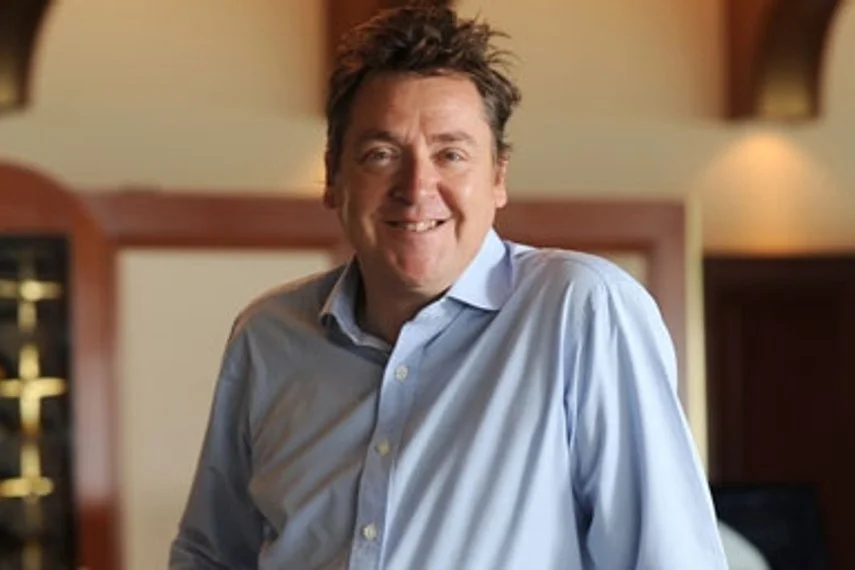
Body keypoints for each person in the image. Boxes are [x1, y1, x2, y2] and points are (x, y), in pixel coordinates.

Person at [169, 5, 727, 569]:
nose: (416, 188)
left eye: (451, 154)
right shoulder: (268, 335)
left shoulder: (580, 309)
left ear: (498, 178)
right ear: (333, 177)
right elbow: (211, 555)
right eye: (380, 155)